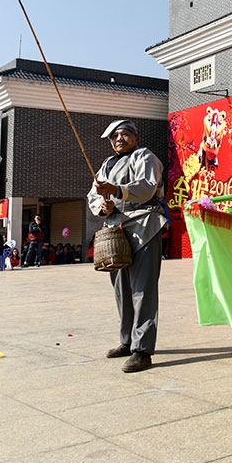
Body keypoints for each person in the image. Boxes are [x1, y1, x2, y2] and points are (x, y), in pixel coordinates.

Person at [87, 119, 168, 373]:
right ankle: (127, 340)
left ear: (135, 138)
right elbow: (94, 194)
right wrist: (103, 206)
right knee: (121, 289)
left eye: (124, 135)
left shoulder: (145, 156)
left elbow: (146, 187)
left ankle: (142, 350)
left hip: (144, 224)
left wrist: (118, 191)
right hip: (115, 229)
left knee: (142, 289)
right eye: (114, 137)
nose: (118, 139)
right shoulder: (107, 164)